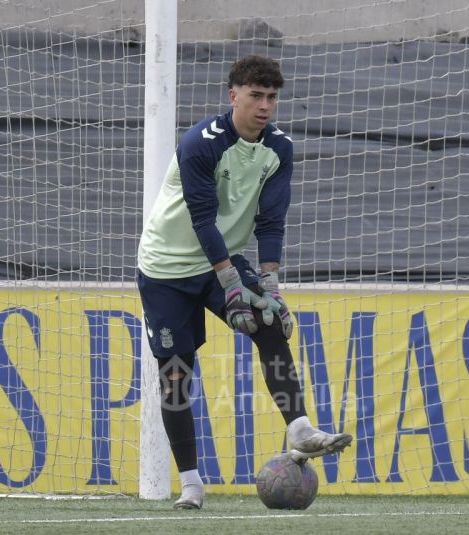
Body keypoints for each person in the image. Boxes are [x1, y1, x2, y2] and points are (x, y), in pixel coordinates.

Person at [136, 55, 352, 510]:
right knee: (176, 374)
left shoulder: (279, 148)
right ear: (232, 95)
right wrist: (231, 281)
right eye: (255, 95)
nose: (265, 106)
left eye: (272, 97)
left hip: (221, 258)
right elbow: (202, 218)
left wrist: (268, 284)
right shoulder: (201, 143)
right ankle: (191, 484)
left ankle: (299, 429)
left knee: (267, 320)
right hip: (168, 268)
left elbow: (271, 222)